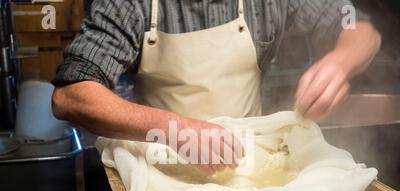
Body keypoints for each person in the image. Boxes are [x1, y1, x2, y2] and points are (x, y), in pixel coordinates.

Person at [52, 0, 381, 174]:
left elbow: (358, 27)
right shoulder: (130, 4)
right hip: (163, 170)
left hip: (252, 165)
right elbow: (71, 95)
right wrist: (175, 130)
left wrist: (340, 63)